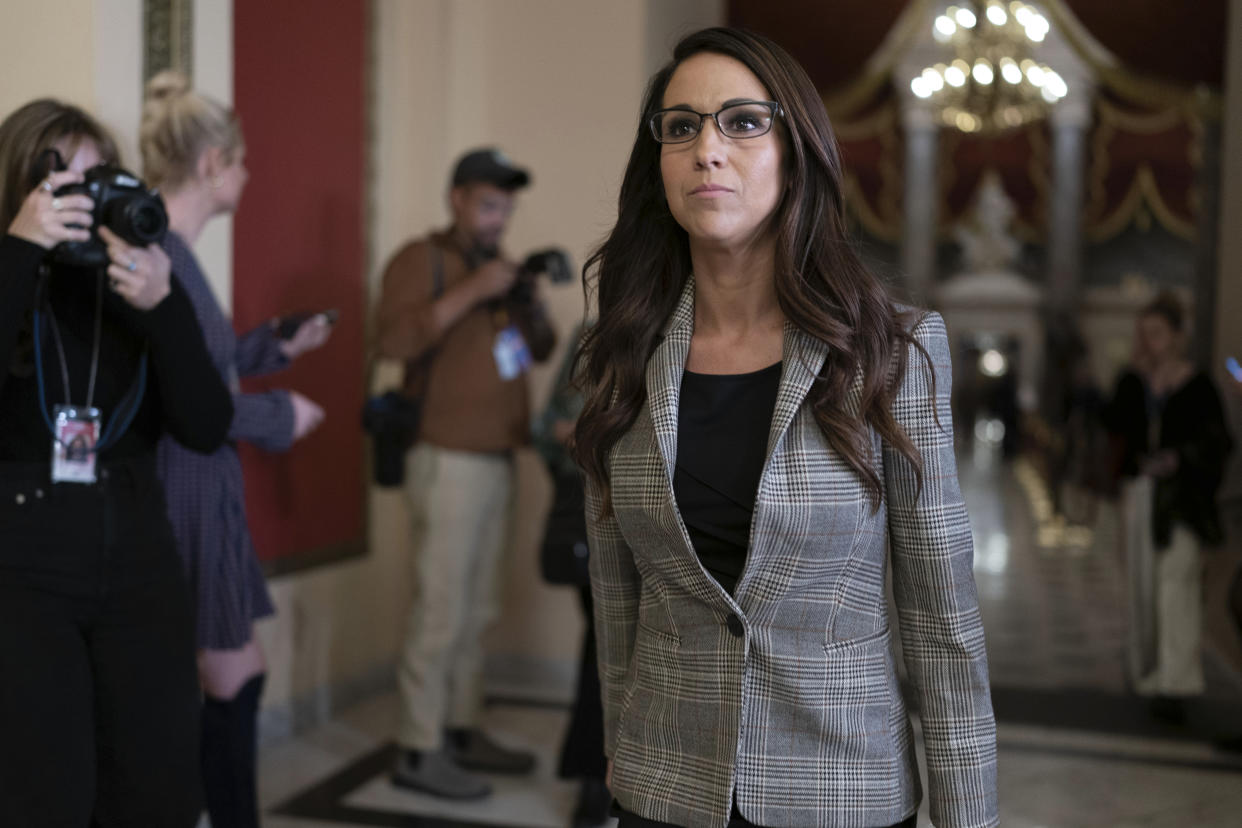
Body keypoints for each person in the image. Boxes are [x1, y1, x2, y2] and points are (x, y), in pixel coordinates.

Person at [573, 28, 999, 828]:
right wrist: (619, 754)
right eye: (682, 126)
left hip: (841, 790)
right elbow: (615, 591)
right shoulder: (621, 355)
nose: (708, 149)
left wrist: (967, 813)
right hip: (664, 788)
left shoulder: (891, 352)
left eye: (742, 122)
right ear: (658, 160)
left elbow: (941, 620)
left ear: (796, 150)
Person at [0, 99, 232, 825]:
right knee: (46, 791)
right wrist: (19, 250)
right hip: (23, 567)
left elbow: (206, 425)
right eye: (60, 174)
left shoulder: (140, 279)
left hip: (138, 554)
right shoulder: (8, 271)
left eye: (98, 173)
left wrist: (163, 307)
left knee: (156, 787)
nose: (82, 192)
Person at [139, 71, 331, 827]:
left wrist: (274, 344)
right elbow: (187, 400)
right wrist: (279, 415)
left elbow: (204, 365)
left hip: (195, 481)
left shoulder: (172, 251)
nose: (249, 176)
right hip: (185, 482)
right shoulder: (166, 256)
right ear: (215, 162)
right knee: (231, 672)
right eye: (243, 160)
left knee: (232, 669)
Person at [375, 147, 556, 798]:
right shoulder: (420, 260)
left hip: (498, 456)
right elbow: (395, 341)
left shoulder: (500, 271)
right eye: (488, 202)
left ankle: (459, 727)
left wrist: (523, 296)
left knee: (478, 610)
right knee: (441, 610)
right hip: (444, 454)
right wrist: (471, 292)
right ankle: (418, 750)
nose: (498, 215)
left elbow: (541, 350)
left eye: (506, 205)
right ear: (457, 198)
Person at [1103, 292, 1232, 722]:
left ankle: (1176, 683)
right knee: (1144, 586)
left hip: (1182, 503)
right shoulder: (1135, 381)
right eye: (1144, 334)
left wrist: (1181, 458)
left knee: (1176, 587)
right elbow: (1115, 427)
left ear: (1178, 335)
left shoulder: (1198, 384)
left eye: (1157, 333)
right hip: (1141, 495)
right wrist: (1132, 377)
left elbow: (1219, 443)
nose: (1150, 341)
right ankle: (1151, 673)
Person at [532, 322, 611, 827]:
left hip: (682, 524)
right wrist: (586, 431)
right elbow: (546, 429)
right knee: (603, 646)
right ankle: (593, 777)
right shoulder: (592, 334)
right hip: (600, 512)